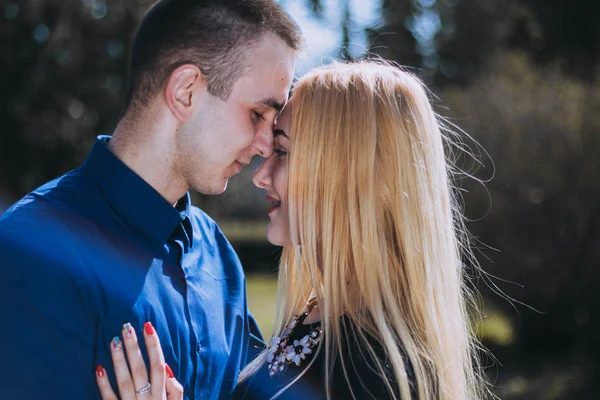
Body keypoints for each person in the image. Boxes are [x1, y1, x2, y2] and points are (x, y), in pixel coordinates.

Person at [95, 60, 489, 400]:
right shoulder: (325, 313)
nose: (261, 176)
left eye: (281, 152)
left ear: (347, 175)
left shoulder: (374, 371)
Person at [0, 0, 302, 399]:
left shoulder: (219, 257)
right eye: (258, 114)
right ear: (185, 91)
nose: (267, 145)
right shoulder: (31, 249)